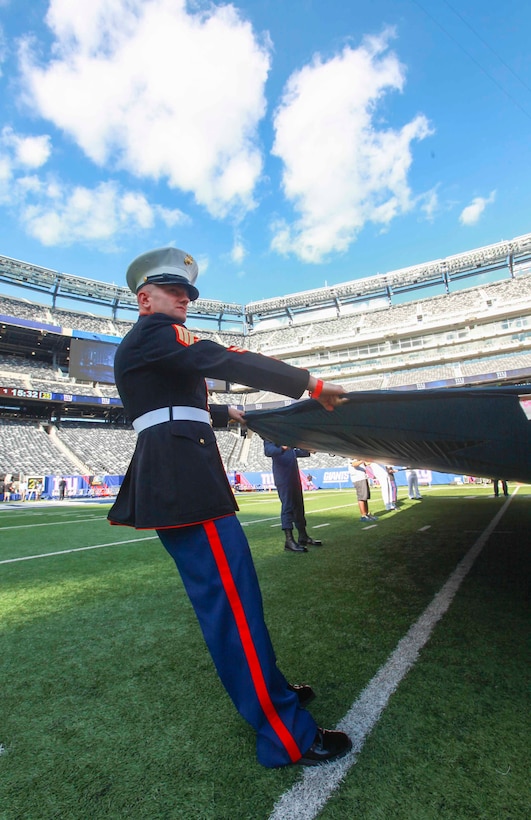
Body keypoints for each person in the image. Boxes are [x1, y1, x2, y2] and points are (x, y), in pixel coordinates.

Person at [107, 246, 352, 769]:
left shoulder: (147, 347)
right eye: (174, 292)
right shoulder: (156, 334)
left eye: (188, 294)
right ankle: (285, 735)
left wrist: (225, 412)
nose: (185, 300)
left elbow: (168, 399)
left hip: (179, 479)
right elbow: (225, 357)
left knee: (235, 604)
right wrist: (309, 382)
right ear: (143, 298)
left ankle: (272, 692)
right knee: (234, 610)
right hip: (186, 484)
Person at [263, 441, 322, 552]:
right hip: (283, 478)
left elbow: (294, 452)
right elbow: (268, 451)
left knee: (299, 507)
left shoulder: (284, 437)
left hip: (293, 477)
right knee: (288, 507)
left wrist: (308, 451)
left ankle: (303, 536)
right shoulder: (271, 436)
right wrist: (283, 448)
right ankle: (289, 541)